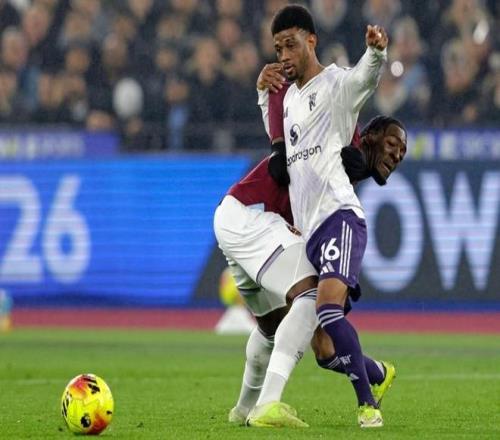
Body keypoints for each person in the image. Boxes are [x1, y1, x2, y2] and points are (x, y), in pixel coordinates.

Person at [214, 79, 406, 430]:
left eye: (402, 153)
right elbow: (306, 98)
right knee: (311, 297)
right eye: (392, 145)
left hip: (236, 217)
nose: (396, 156)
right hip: (254, 216)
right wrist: (267, 97)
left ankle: (243, 409)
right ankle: (268, 404)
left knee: (275, 330)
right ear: (369, 138)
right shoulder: (335, 136)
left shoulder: (341, 184)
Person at [264, 4, 391, 427]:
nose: (284, 55)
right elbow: (277, 134)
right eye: (278, 49)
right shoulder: (289, 100)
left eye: (291, 45)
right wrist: (262, 91)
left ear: (311, 41)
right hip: (310, 234)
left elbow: (363, 79)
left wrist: (375, 53)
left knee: (328, 311)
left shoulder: (335, 84)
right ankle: (377, 373)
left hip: (340, 217)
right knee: (322, 348)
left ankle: (368, 406)